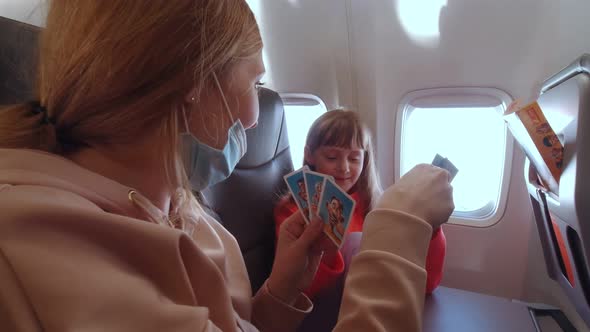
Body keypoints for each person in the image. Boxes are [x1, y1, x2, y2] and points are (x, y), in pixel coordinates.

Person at [0, 1, 454, 331]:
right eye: (256, 82)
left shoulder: (190, 215)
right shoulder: (60, 252)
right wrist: (397, 234)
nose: (257, 116)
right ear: (192, 82)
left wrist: (278, 290)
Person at [274, 110, 447, 298]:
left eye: (354, 158)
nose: (344, 167)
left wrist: (429, 228)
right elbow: (300, 291)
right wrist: (328, 254)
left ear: (364, 160)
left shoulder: (375, 208)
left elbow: (426, 283)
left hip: (375, 299)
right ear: (309, 155)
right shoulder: (293, 213)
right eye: (332, 157)